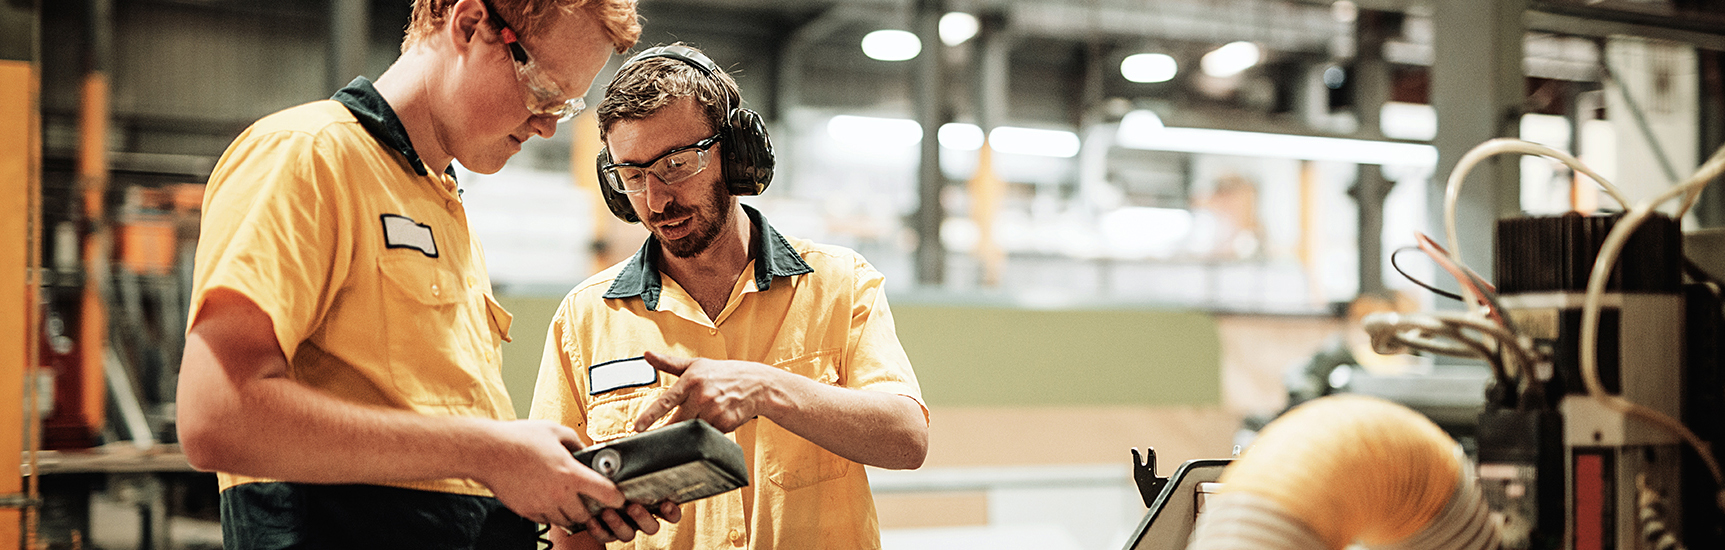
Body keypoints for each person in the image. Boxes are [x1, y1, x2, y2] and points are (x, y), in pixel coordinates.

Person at [175, 1, 679, 547]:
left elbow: (432, 444)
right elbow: (218, 415)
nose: (549, 125)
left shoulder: (439, 204)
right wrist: (489, 452)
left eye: (568, 104)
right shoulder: (308, 157)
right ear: (469, 26)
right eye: (544, 91)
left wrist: (547, 488)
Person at [529, 43, 929, 549]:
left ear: (737, 155)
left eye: (675, 165)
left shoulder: (839, 283)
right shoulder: (584, 318)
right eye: (632, 176)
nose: (656, 200)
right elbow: (563, 516)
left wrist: (765, 389)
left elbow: (906, 438)